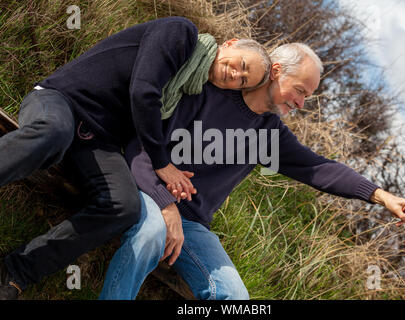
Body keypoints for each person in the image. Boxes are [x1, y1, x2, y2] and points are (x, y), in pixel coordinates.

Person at [98, 43, 405, 300]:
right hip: (147, 190)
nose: (302, 103)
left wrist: (381, 196)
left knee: (237, 298)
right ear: (275, 71)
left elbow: (318, 168)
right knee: (151, 234)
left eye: (307, 96)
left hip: (192, 224)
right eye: (300, 90)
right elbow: (141, 147)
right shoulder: (202, 90)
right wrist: (164, 204)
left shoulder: (270, 135)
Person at [0, 16, 271, 300]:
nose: (234, 76)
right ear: (229, 45)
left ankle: (17, 272)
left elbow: (142, 133)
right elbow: (143, 92)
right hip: (62, 102)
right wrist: (162, 163)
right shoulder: (181, 34)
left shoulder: (187, 91)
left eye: (243, 81)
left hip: (98, 141)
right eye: (242, 66)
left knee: (124, 206)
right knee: (53, 134)